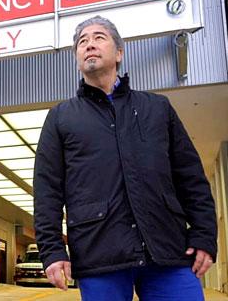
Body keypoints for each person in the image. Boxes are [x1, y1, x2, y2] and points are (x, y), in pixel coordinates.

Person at [33, 16, 217, 300]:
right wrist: (53, 250)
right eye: (82, 42)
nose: (89, 45)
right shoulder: (61, 117)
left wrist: (204, 235)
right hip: (99, 253)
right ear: (77, 58)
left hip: (167, 248)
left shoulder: (157, 108)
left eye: (98, 38)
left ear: (119, 52)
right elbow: (47, 191)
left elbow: (190, 177)